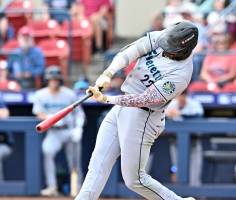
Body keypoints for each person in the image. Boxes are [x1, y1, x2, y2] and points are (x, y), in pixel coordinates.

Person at [75, 21, 198, 200]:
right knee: (97, 164)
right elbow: (130, 52)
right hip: (122, 106)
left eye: (169, 48)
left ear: (182, 50)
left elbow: (143, 99)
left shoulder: (181, 74)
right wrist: (108, 73)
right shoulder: (165, 36)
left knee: (135, 179)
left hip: (144, 116)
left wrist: (106, 99)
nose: (163, 48)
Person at [33, 66, 85, 196]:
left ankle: (77, 188)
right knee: (47, 151)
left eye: (56, 79)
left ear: (60, 80)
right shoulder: (40, 94)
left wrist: (78, 128)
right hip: (54, 131)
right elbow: (38, 112)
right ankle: (52, 187)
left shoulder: (69, 94)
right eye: (51, 79)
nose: (54, 82)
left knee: (74, 161)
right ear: (47, 80)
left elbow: (79, 114)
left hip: (70, 131)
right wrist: (49, 118)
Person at [165, 90, 204, 186]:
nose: (182, 97)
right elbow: (160, 118)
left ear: (187, 95)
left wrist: (180, 115)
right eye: (179, 95)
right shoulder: (171, 105)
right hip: (176, 143)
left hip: (193, 143)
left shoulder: (194, 104)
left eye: (184, 95)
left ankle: (196, 196)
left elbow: (199, 117)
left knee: (195, 177)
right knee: (178, 172)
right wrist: (167, 116)